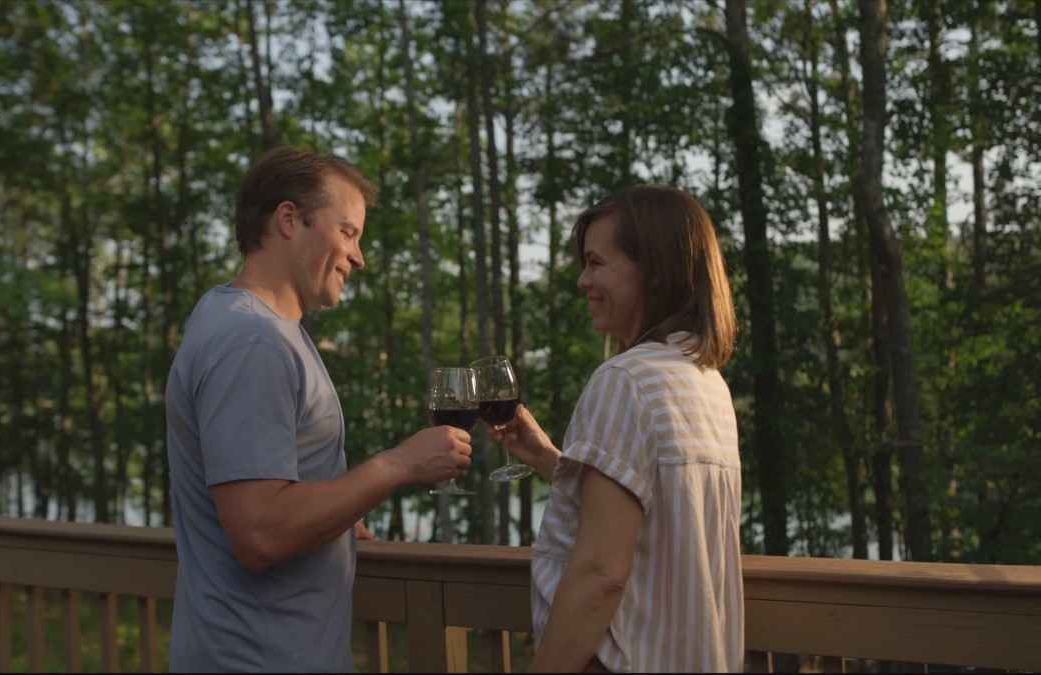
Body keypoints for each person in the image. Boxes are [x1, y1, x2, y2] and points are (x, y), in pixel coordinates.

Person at [164, 145, 473, 672]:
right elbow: (259, 532)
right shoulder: (253, 340)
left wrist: (337, 511)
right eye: (347, 232)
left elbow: (270, 488)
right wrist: (398, 465)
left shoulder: (240, 321)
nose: (359, 256)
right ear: (288, 219)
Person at [491, 184, 743, 672]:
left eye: (596, 263)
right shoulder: (707, 383)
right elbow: (657, 515)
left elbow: (601, 575)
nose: (582, 280)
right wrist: (548, 458)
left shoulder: (626, 379)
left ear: (655, 271)